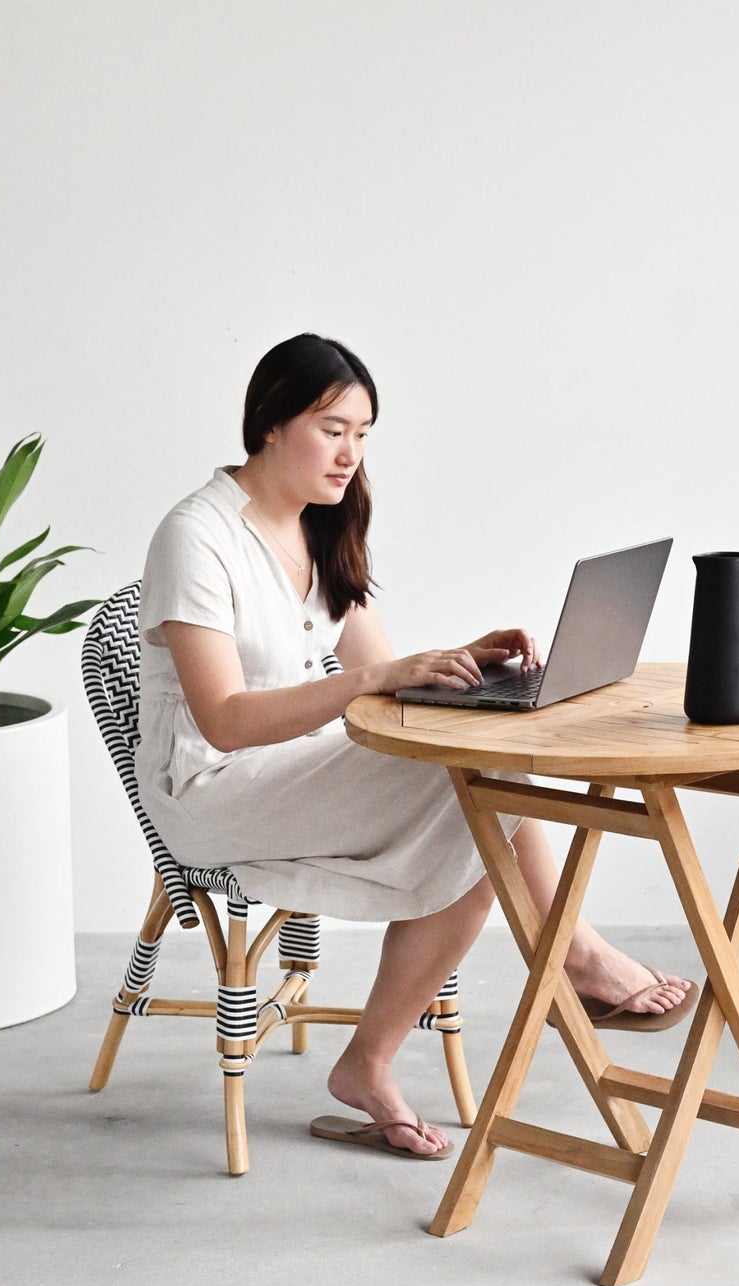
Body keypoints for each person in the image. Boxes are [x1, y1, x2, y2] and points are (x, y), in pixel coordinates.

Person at [135, 333, 693, 1159]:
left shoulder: (321, 527)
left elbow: (376, 672)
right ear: (270, 424)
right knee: (480, 793)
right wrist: (384, 677)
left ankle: (370, 1062)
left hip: (286, 775)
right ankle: (573, 949)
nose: (350, 454)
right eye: (333, 429)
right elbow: (224, 719)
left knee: (480, 810)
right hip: (212, 791)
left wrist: (463, 661)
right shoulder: (197, 535)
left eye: (363, 434)